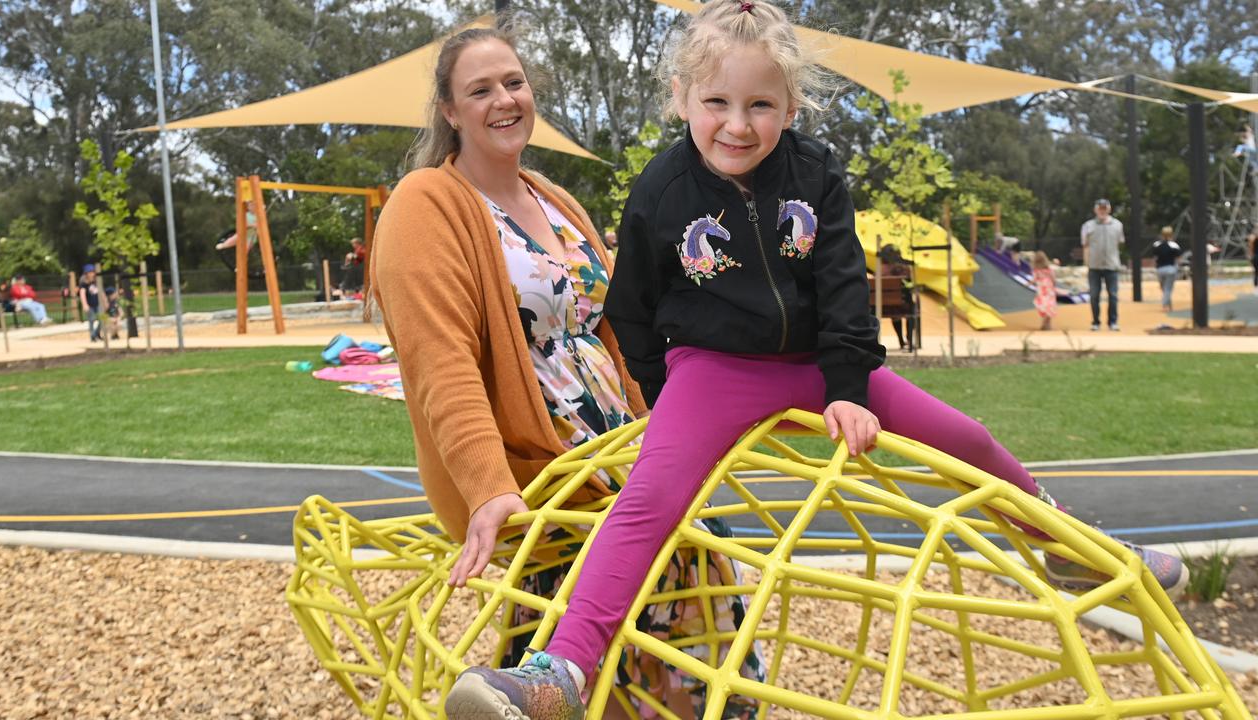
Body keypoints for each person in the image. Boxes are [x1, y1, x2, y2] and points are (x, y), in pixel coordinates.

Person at [444, 2, 1186, 717]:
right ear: (681, 98)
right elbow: (631, 306)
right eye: (717, 102)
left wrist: (848, 386)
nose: (737, 125)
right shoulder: (662, 191)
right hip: (713, 369)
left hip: (818, 362)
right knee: (648, 502)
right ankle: (561, 672)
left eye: (761, 105)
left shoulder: (817, 172)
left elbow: (840, 283)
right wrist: (667, 390)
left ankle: (1073, 547)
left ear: (791, 106)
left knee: (970, 440)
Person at [371, 25, 762, 719]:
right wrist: (488, 487)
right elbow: (439, 358)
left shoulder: (553, 198)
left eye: (514, 83)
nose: (504, 100)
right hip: (547, 466)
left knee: (692, 583)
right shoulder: (426, 202)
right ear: (449, 110)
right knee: (607, 609)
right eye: (480, 89)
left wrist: (673, 428)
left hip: (622, 447)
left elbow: (619, 334)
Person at [1081, 198, 1124, 331]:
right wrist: (1086, 263)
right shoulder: (1088, 226)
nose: (1102, 211)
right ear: (1095, 210)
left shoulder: (1117, 225)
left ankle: (1113, 322)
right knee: (1094, 295)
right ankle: (1095, 322)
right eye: (1100, 208)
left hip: (1111, 266)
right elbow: (1085, 245)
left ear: (1109, 209)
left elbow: (1119, 242)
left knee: (1113, 295)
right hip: (1094, 266)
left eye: (1104, 208)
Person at [878, 244, 915, 350]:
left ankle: (901, 340)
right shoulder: (905, 269)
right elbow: (909, 287)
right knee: (912, 308)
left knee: (895, 312)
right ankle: (909, 338)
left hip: (883, 308)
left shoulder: (880, 270)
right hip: (902, 306)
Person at [1151, 226, 1184, 311]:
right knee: (1168, 288)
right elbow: (1179, 258)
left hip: (1160, 270)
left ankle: (1168, 306)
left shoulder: (1156, 245)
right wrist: (1179, 267)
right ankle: (1166, 306)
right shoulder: (1174, 245)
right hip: (1171, 269)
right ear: (1171, 234)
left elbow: (1155, 258)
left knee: (1164, 288)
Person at [1031, 251, 1057, 330]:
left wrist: (1028, 284)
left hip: (1041, 288)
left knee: (1043, 305)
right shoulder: (1048, 269)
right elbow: (1053, 279)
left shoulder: (1036, 270)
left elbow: (1034, 280)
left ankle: (1045, 323)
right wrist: (1053, 285)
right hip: (1049, 288)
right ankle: (1048, 324)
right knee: (1050, 305)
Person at [79, 264, 101, 341]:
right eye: (90, 272)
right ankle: (92, 336)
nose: (92, 273)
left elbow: (102, 292)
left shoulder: (96, 282)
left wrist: (104, 301)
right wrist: (85, 304)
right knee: (91, 320)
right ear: (86, 273)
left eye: (93, 272)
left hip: (98, 304)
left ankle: (96, 333)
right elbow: (82, 294)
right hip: (90, 305)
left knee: (102, 319)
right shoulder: (84, 284)